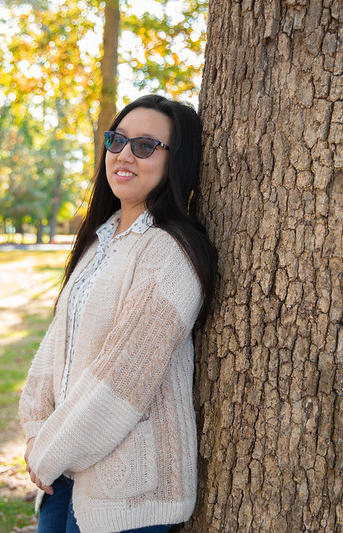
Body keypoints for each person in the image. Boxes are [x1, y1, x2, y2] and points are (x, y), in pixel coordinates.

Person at [19, 94, 217, 533]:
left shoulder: (169, 254)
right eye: (117, 141)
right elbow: (56, 343)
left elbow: (124, 378)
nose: (124, 155)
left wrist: (50, 450)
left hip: (129, 494)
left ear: (175, 161)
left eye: (145, 146)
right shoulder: (100, 240)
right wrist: (36, 432)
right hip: (64, 473)